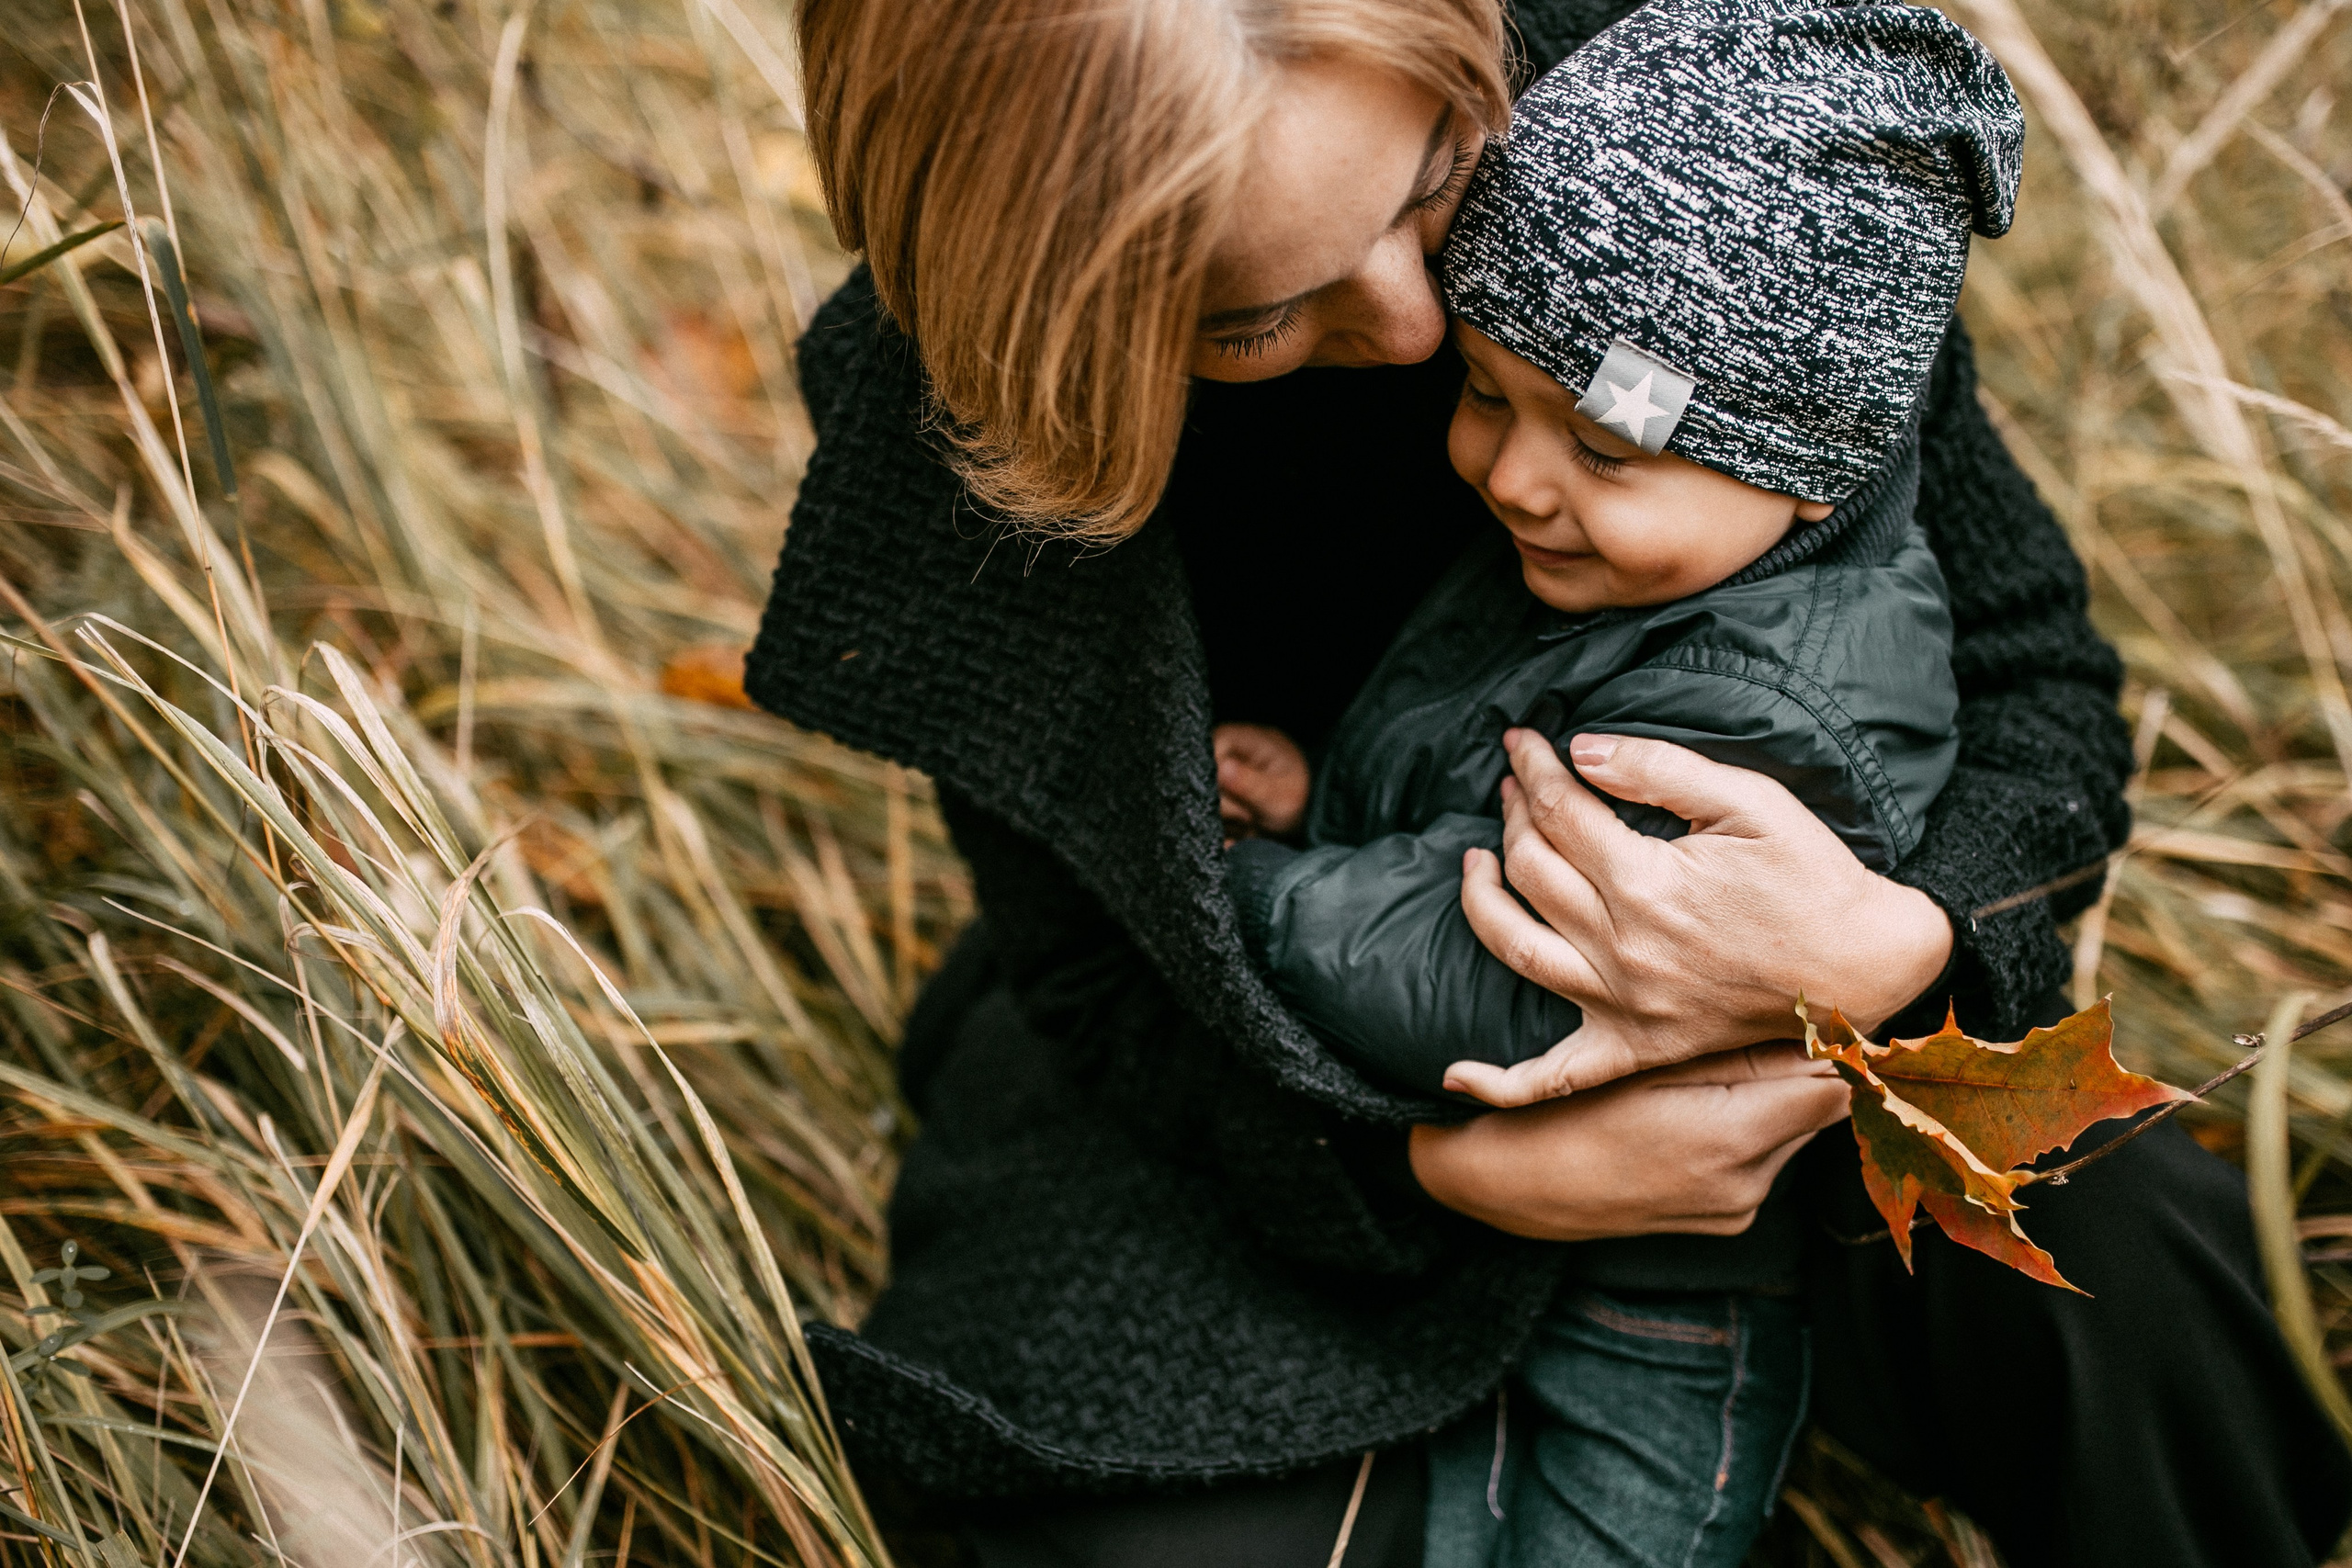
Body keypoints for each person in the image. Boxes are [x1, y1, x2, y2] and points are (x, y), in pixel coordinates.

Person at [747, 0, 2352, 1562]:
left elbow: (2034, 682)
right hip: (1267, 1071)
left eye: (1436, 177)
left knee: (2140, 1298)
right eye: (1252, 319)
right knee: (1135, 1505)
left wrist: (1906, 943)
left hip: (1787, 1058)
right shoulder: (947, 419)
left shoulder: (1698, 141)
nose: (1413, 327)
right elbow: (1099, 971)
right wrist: (1440, 1169)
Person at [1216, 6, 2013, 1557]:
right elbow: (1482, 775)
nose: (1514, 474)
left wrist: (1238, 886)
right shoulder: (1626, 565)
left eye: (1600, 444)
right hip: (1498, 1235)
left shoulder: (1764, 705)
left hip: (1666, 1306)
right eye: (1491, 396)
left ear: (1811, 468)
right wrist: (1323, 800)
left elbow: (1508, 963)